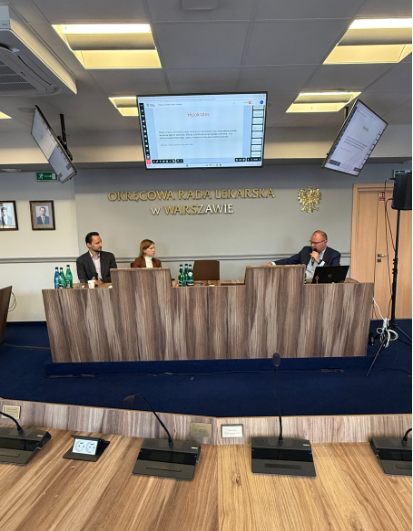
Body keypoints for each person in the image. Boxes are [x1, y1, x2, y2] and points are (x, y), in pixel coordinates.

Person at [269, 230, 340, 280]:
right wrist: (273, 263)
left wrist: (319, 261)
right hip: (304, 277)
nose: (312, 245)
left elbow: (335, 273)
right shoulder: (306, 250)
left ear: (324, 242)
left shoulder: (334, 254)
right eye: (311, 242)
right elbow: (290, 260)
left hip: (322, 279)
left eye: (315, 243)